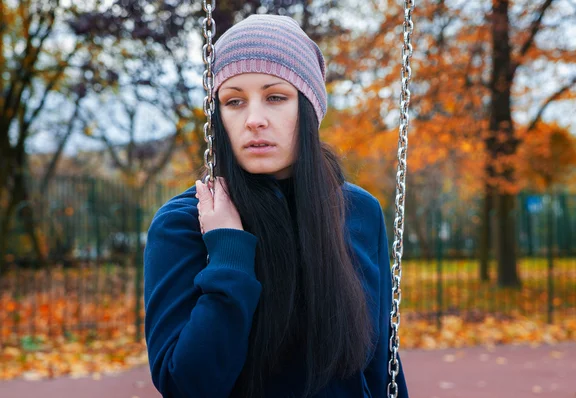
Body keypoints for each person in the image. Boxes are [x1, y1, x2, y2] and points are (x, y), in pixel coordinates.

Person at [143, 14, 409, 398]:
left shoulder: (358, 211)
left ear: (309, 107)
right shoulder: (184, 222)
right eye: (233, 101)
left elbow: (382, 361)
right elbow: (186, 384)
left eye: (275, 97)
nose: (254, 120)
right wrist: (228, 252)